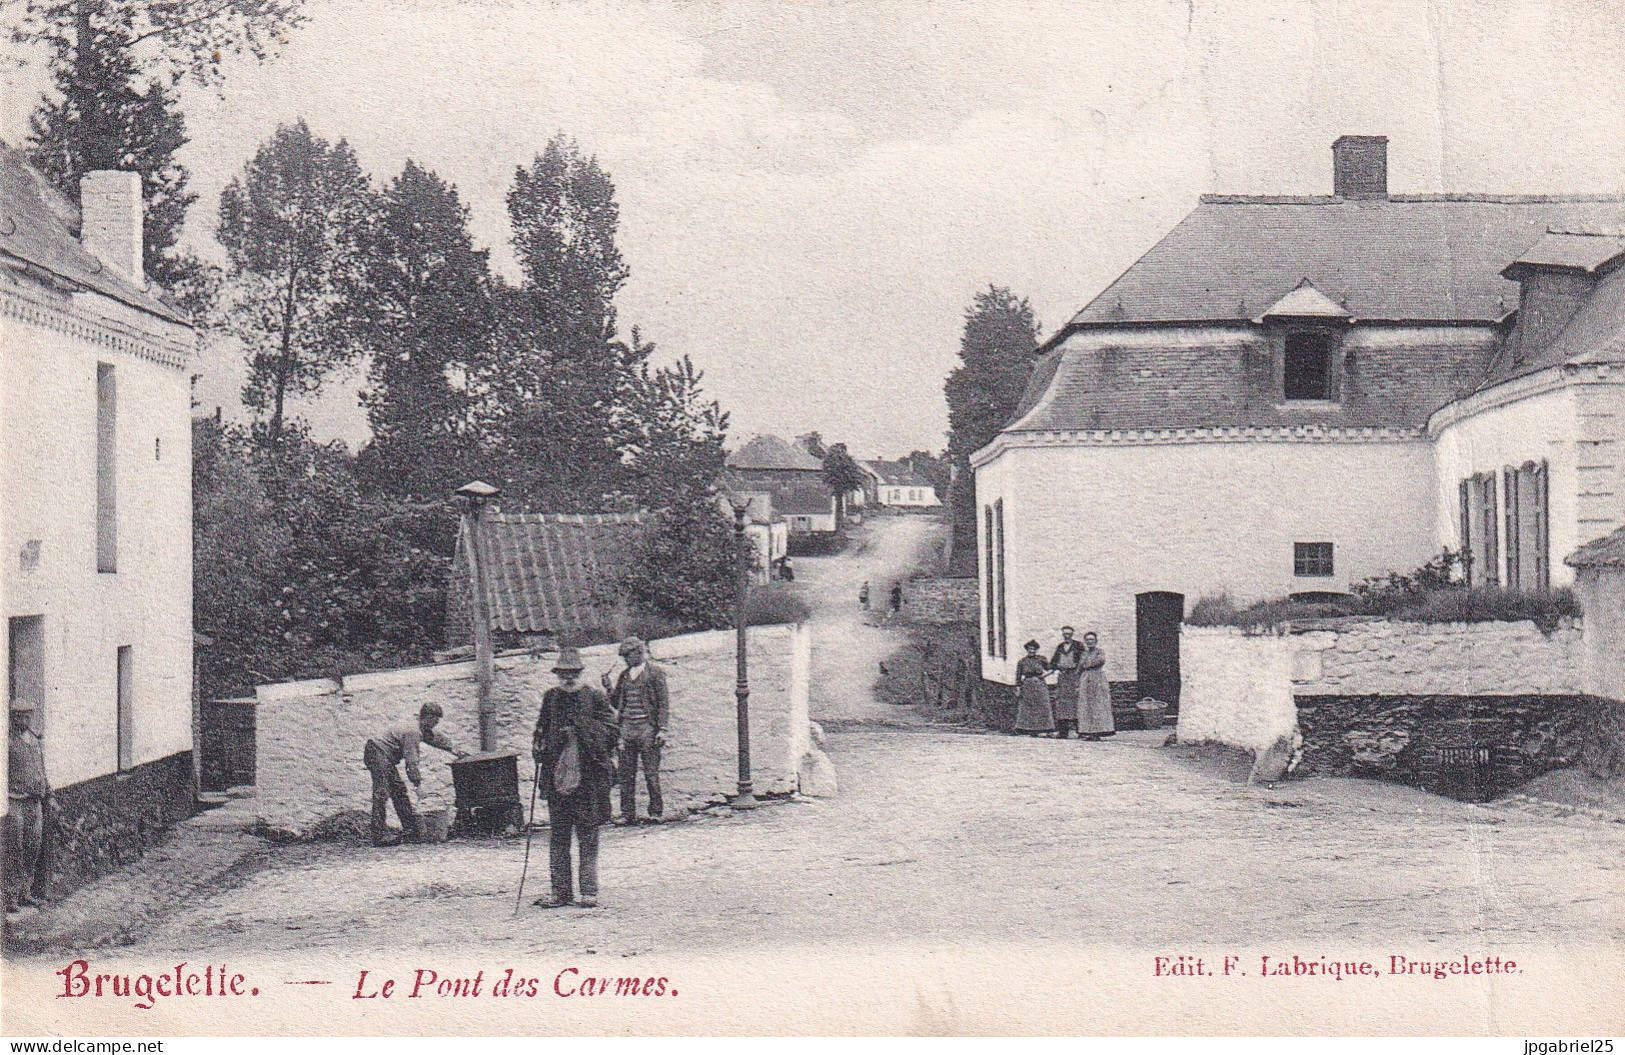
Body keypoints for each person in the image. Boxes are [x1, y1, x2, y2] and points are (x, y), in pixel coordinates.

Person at [534, 647, 618, 908]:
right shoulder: (550, 698)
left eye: (573, 673)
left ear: (580, 673)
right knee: (558, 836)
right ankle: (560, 892)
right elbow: (540, 729)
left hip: (588, 779)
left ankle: (589, 891)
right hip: (557, 779)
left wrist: (582, 731)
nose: (568, 678)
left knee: (588, 834)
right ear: (557, 675)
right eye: (563, 673)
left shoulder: (594, 697)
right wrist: (538, 745)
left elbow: (612, 730)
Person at [362, 702, 462, 846]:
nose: (436, 723)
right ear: (427, 718)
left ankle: (412, 831)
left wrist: (453, 748)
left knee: (399, 790)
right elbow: (411, 761)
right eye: (435, 720)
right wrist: (417, 784)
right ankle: (378, 836)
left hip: (385, 756)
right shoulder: (413, 732)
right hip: (377, 752)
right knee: (382, 792)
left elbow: (433, 737)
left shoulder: (420, 728)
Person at [602, 637, 670, 825]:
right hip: (626, 729)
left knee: (651, 773)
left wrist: (662, 729)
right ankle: (627, 814)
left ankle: (656, 812)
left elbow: (664, 703)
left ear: (638, 652)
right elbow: (616, 703)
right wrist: (608, 687)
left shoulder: (655, 673)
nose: (625, 660)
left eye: (627, 655)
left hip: (647, 729)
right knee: (626, 774)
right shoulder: (624, 676)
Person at [7, 703, 49, 911]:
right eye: (19, 717)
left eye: (27, 717)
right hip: (15, 801)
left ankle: (25, 892)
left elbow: (41, 769)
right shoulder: (7, 742)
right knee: (16, 847)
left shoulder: (35, 741)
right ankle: (11, 896)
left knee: (33, 846)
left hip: (35, 801)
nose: (24, 721)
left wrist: (47, 793)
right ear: (13, 718)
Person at [1077, 631, 1116, 741]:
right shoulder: (1084, 653)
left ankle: (1098, 731)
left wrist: (1086, 664)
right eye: (1087, 640)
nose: (1089, 642)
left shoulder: (1100, 652)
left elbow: (1099, 661)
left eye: (1092, 640)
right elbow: (1080, 666)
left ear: (1096, 641)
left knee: (1097, 705)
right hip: (1085, 679)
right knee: (1086, 706)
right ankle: (1088, 731)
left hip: (1097, 678)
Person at [1013, 640, 1055, 736]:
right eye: (1030, 649)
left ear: (1036, 650)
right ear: (1027, 650)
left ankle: (1043, 728)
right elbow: (1018, 676)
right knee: (1028, 707)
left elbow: (1050, 669)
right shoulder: (1022, 661)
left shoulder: (1041, 659)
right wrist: (1018, 687)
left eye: (1033, 649)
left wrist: (1043, 676)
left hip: (1040, 684)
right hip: (1027, 685)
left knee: (1041, 706)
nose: (1031, 651)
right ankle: (1028, 729)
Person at [1049, 627, 1085, 739]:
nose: (1067, 636)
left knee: (1076, 702)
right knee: (1062, 704)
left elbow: (1083, 661)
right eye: (1065, 634)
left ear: (1072, 634)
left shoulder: (1078, 646)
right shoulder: (1060, 647)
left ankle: (1081, 731)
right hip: (1063, 678)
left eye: (1069, 634)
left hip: (1074, 676)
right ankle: (1063, 731)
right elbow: (1053, 662)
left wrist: (1078, 672)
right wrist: (1056, 668)